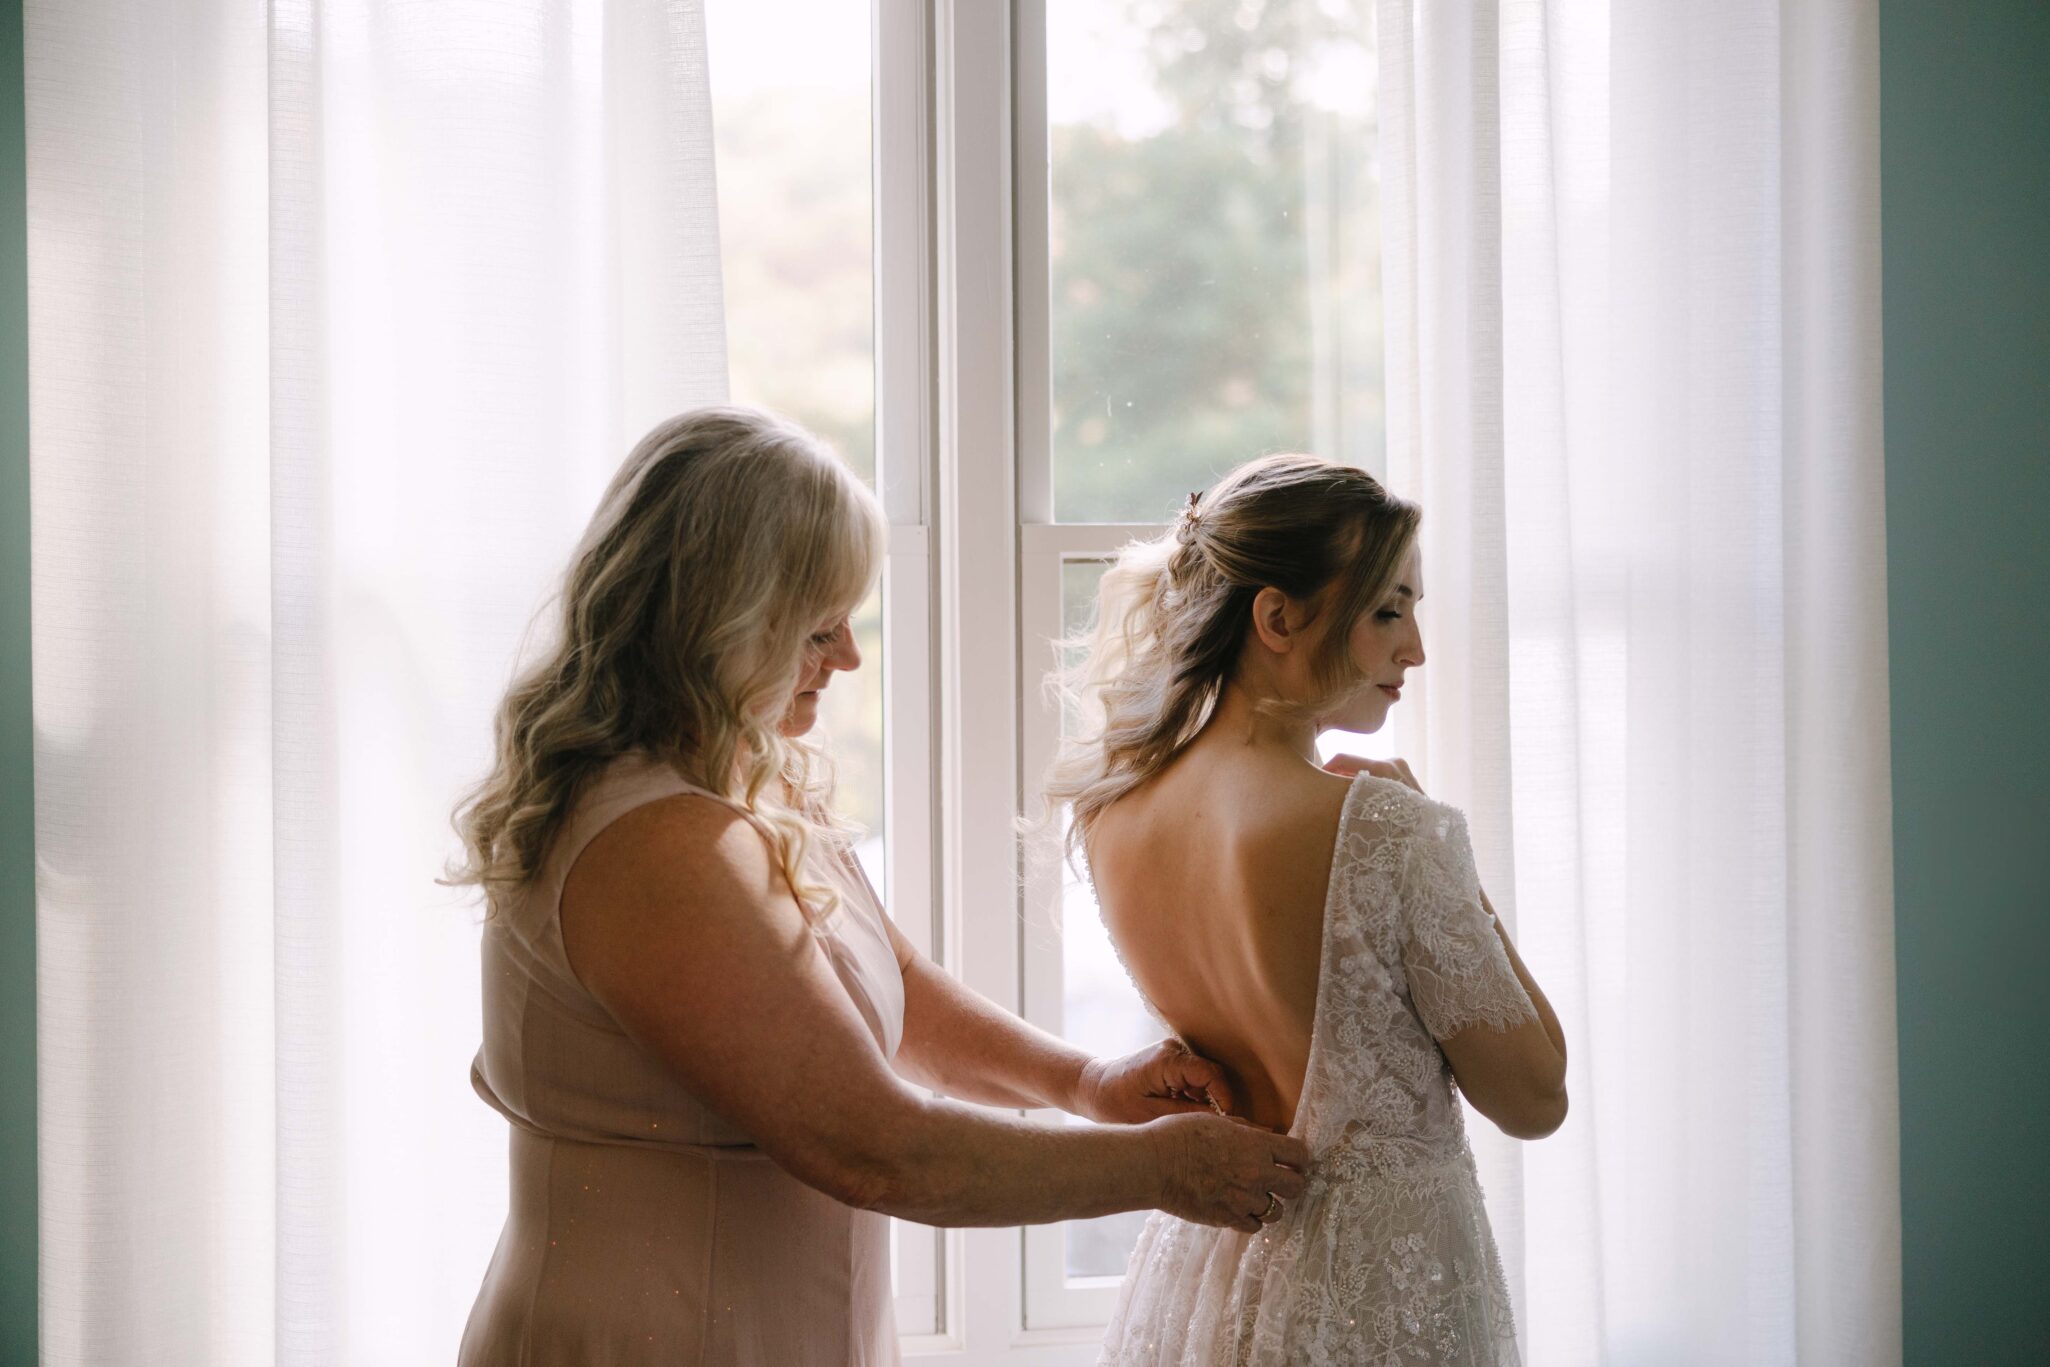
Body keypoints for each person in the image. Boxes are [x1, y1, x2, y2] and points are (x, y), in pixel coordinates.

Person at [447, 407, 1310, 1366]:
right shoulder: (653, 840)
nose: (849, 657)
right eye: (820, 625)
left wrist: (1086, 1083)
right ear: (719, 617)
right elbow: (873, 1143)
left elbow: (890, 987)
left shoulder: (745, 778)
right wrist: (1164, 1168)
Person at [1041, 455, 1568, 1365]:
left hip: (1201, 1278)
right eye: (1388, 610)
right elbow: (1534, 1095)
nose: (1416, 648)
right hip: (1375, 1305)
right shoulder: (1384, 830)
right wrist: (1454, 867)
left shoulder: (1113, 810)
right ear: (1278, 617)